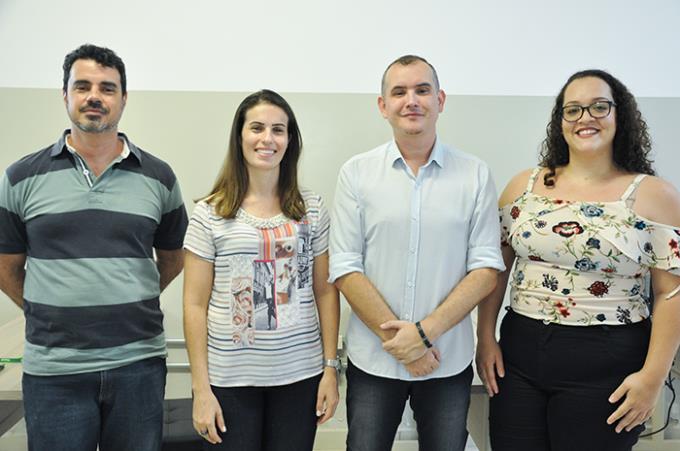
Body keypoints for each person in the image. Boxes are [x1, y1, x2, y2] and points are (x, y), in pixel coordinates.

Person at [476, 69, 680, 451]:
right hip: (519, 355)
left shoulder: (655, 195)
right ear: (560, 122)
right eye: (573, 110)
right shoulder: (524, 185)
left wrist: (653, 377)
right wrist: (484, 337)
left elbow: (673, 293)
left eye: (599, 106)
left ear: (621, 116)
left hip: (607, 362)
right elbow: (496, 268)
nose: (585, 118)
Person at [0, 44, 188, 451]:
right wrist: (44, 309)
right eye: (82, 86)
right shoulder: (20, 177)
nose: (94, 97)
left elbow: (173, 258)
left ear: (123, 99)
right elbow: (6, 266)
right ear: (65, 95)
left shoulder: (159, 177)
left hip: (137, 364)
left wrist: (128, 298)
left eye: (107, 88)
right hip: (54, 371)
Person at [329, 55, 505, 451]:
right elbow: (344, 267)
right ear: (383, 106)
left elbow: (486, 269)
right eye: (399, 92)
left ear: (440, 99)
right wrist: (402, 344)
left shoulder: (475, 174)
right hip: (373, 359)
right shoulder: (355, 174)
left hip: (447, 358)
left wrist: (423, 335)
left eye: (422, 90)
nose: (412, 100)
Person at [183, 89, 340, 450]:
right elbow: (194, 305)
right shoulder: (210, 213)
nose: (267, 138)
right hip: (230, 382)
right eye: (257, 128)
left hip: (300, 377)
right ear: (240, 137)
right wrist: (201, 389)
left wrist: (330, 369)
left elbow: (325, 291)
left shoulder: (311, 209)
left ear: (290, 141)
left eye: (278, 130)